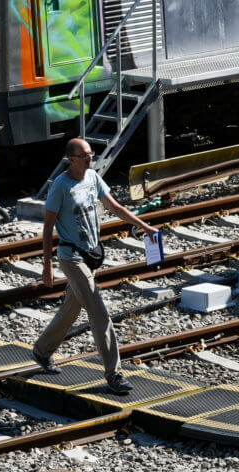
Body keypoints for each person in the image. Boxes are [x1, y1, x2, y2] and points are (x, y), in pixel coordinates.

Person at [32, 137, 159, 395]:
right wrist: (47, 265)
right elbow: (47, 228)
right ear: (71, 159)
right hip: (71, 257)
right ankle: (114, 374)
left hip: (91, 255)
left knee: (72, 307)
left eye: (91, 154)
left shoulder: (92, 177)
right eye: (85, 156)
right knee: (98, 312)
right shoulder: (61, 186)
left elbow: (115, 206)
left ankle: (41, 351)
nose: (91, 159)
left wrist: (143, 226)